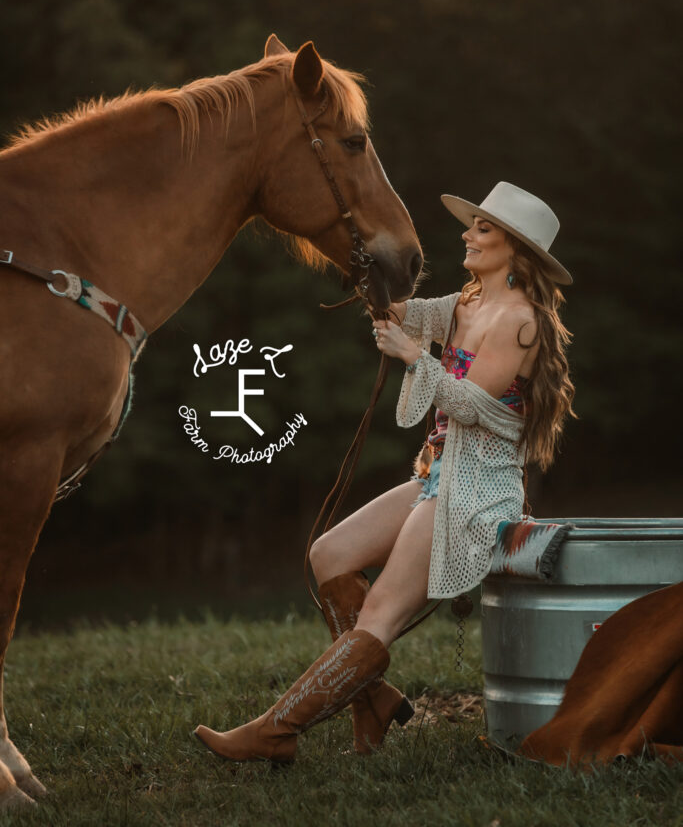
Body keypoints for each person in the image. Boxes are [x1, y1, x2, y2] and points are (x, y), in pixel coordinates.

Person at [195, 181, 575, 763]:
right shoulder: (468, 303)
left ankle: (276, 731)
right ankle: (372, 701)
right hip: (439, 476)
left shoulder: (520, 320)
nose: (466, 235)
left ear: (515, 248)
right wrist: (371, 275)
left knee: (380, 615)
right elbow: (407, 314)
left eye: (482, 228)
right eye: (471, 226)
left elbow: (472, 403)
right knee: (328, 555)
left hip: (479, 491)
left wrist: (412, 355)